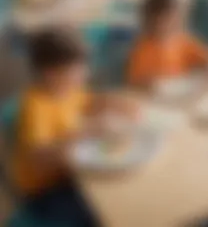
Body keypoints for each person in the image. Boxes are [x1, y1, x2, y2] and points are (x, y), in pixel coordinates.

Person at [11, 29, 135, 226]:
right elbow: (38, 158)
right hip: (47, 190)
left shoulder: (69, 89)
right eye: (76, 70)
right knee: (103, 213)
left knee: (124, 190)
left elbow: (87, 103)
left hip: (74, 173)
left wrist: (111, 102)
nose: (85, 75)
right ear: (51, 74)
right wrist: (86, 132)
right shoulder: (35, 106)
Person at [127, 0, 208, 87]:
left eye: (174, 17)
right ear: (150, 22)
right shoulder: (142, 49)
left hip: (185, 93)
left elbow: (207, 58)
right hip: (155, 98)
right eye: (163, 20)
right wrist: (147, 84)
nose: (171, 23)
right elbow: (135, 83)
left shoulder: (183, 41)